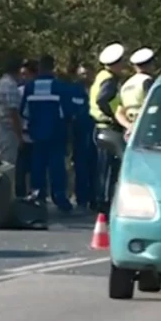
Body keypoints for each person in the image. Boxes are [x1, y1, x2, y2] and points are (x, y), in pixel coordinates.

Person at [19, 54, 73, 212]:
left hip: (37, 133)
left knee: (38, 165)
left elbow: (24, 111)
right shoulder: (60, 86)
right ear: (53, 67)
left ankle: (38, 196)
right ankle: (60, 198)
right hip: (57, 132)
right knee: (57, 166)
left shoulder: (30, 87)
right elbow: (68, 111)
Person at [89, 43, 128, 212]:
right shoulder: (110, 79)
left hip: (98, 126)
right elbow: (102, 100)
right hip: (108, 127)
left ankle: (98, 199)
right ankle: (103, 202)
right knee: (109, 168)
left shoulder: (101, 75)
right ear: (116, 63)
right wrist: (114, 116)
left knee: (101, 167)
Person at [67, 67, 97, 212]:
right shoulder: (73, 90)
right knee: (80, 166)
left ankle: (94, 197)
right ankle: (81, 198)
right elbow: (70, 111)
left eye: (88, 73)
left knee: (95, 166)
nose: (85, 76)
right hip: (79, 133)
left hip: (95, 131)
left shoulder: (96, 89)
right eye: (82, 73)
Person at [116, 47, 156, 136]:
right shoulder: (147, 81)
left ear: (135, 67)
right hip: (148, 128)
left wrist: (129, 126)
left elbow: (119, 113)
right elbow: (154, 106)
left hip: (131, 130)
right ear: (151, 64)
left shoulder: (125, 85)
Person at [0, 58, 24, 167]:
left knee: (3, 162)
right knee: (9, 166)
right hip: (8, 131)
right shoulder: (11, 86)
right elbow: (13, 112)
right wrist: (20, 136)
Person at [15, 59, 39, 198]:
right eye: (21, 74)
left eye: (26, 74)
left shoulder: (36, 90)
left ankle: (34, 194)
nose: (23, 78)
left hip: (34, 133)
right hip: (22, 132)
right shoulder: (18, 91)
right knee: (21, 168)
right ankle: (21, 194)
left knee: (35, 167)